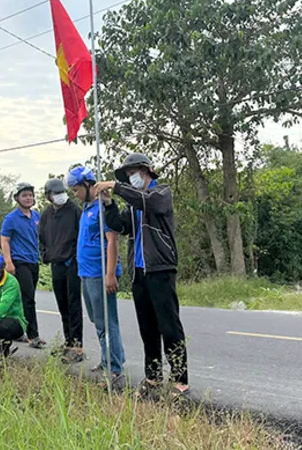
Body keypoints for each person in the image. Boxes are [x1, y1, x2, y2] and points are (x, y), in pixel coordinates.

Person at [95, 153, 189, 398]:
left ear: (146, 170)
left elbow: (148, 202)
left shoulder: (160, 193)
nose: (130, 177)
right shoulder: (133, 205)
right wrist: (109, 204)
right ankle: (153, 376)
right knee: (147, 327)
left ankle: (180, 378)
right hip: (139, 271)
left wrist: (117, 187)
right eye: (127, 175)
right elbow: (118, 225)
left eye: (132, 172)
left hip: (160, 268)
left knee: (169, 325)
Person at [66, 165, 125, 387]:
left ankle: (114, 368)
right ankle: (107, 358)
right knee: (96, 319)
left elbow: (112, 241)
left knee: (106, 322)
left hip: (100, 274)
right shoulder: (86, 208)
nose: (74, 194)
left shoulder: (102, 208)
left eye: (76, 189)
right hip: (86, 273)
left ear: (88, 185)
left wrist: (110, 274)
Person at [38, 178, 84, 363]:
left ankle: (77, 347)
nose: (60, 196)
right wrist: (45, 255)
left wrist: (76, 256)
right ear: (48, 196)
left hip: (72, 263)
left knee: (74, 304)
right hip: (56, 264)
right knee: (62, 304)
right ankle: (68, 342)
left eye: (61, 192)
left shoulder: (75, 211)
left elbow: (82, 235)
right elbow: (41, 237)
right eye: (56, 193)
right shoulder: (46, 215)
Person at [1, 182, 45, 348]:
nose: (28, 198)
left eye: (30, 195)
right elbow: (5, 241)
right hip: (19, 262)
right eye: (24, 195)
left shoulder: (36, 216)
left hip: (34, 261)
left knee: (21, 299)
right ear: (17, 198)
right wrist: (8, 262)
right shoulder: (11, 218)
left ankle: (16, 331)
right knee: (28, 299)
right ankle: (33, 336)